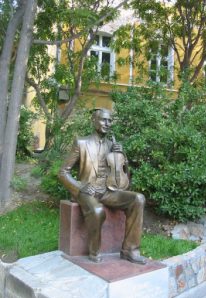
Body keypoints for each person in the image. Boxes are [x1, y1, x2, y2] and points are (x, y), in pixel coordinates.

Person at [58, 108, 146, 264]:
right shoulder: (81, 143)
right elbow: (63, 172)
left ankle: (129, 250)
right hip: (88, 191)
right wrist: (80, 187)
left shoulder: (113, 145)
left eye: (110, 120)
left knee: (138, 199)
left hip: (108, 190)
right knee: (97, 211)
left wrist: (123, 157)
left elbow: (124, 176)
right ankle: (94, 251)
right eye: (103, 120)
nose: (107, 123)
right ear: (93, 121)